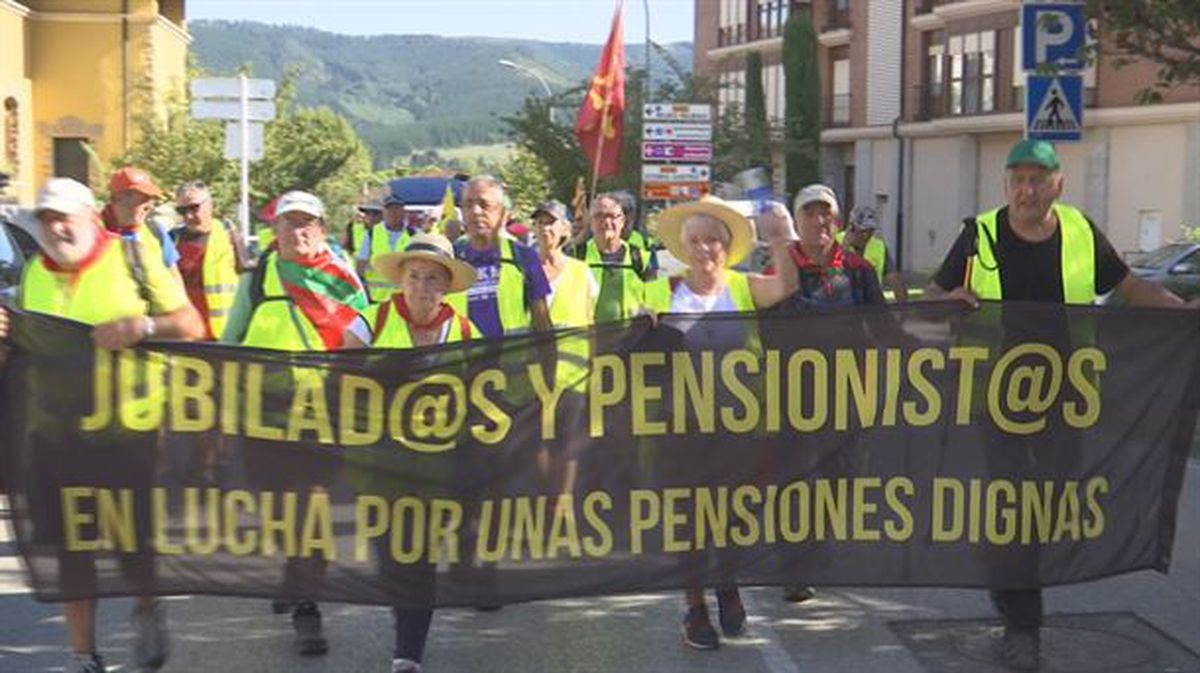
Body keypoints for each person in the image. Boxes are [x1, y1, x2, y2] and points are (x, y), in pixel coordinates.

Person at [925, 139, 1191, 670]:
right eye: (1018, 180)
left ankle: (1005, 572)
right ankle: (1024, 624)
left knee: (1050, 508)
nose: (1027, 190)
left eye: (1038, 180)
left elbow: (1131, 287)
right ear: (1006, 185)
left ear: (1057, 185)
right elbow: (935, 296)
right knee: (1017, 509)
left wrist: (1183, 312)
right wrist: (948, 302)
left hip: (1067, 399)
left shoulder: (1079, 232)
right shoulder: (979, 235)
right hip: (997, 400)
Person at [0, 177, 205, 673]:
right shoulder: (34, 276)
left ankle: (147, 605)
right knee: (72, 550)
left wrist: (143, 327)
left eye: (64, 217)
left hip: (129, 435)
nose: (56, 227)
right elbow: (18, 355)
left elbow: (190, 323)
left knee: (134, 546)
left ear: (91, 217)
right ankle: (83, 655)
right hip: (57, 436)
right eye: (47, 219)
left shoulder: (132, 258)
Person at [222, 190, 370, 658]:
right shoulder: (260, 277)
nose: (298, 231)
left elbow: (365, 328)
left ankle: (309, 602)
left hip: (321, 413)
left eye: (307, 222)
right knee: (276, 506)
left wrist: (354, 347)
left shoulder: (341, 277)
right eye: (289, 223)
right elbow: (232, 340)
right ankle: (293, 567)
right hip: (262, 415)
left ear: (323, 228)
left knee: (311, 505)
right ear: (275, 230)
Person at [644, 195, 795, 651]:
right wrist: (639, 326)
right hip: (681, 429)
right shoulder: (662, 291)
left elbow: (785, 286)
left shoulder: (743, 286)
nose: (705, 248)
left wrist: (781, 238)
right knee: (689, 522)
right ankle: (694, 609)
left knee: (732, 518)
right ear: (683, 247)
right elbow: (632, 344)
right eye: (696, 240)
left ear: (726, 248)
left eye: (713, 240)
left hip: (739, 429)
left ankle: (727, 586)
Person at [359, 232, 478, 673]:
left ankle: (407, 653)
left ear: (446, 286)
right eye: (415, 276)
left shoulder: (465, 331)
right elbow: (337, 369)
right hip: (380, 466)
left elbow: (488, 392)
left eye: (433, 278)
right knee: (390, 558)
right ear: (401, 280)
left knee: (418, 556)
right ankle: (404, 616)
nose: (423, 286)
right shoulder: (369, 320)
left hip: (437, 468)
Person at [531, 199, 597, 496]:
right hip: (533, 369)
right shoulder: (524, 268)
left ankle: (563, 506)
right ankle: (545, 499)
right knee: (537, 440)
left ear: (564, 229)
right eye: (540, 222)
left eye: (552, 222)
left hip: (574, 371)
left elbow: (594, 320)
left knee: (568, 442)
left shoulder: (582, 271)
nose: (545, 228)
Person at [452, 175, 553, 337]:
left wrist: (549, 361)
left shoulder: (523, 256)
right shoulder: (451, 258)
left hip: (511, 359)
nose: (476, 212)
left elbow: (542, 322)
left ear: (502, 213)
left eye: (485, 205)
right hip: (461, 359)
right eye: (468, 205)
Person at [771, 184, 886, 311]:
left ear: (839, 223)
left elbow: (882, 324)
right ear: (795, 224)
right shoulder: (777, 272)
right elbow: (763, 327)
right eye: (809, 214)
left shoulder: (859, 269)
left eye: (826, 214)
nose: (819, 221)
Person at [171, 181, 246, 340]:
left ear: (210, 205)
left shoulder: (229, 236)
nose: (189, 216)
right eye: (182, 211)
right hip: (183, 336)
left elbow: (246, 283)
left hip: (224, 337)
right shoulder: (172, 240)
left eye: (194, 208)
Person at [101, 167, 182, 282]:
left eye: (151, 199)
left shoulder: (155, 231)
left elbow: (175, 280)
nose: (149, 206)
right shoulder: (93, 233)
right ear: (119, 198)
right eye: (143, 199)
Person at [582, 193, 654, 323]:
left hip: (631, 339)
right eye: (599, 216)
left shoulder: (641, 258)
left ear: (622, 221)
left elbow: (657, 304)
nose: (606, 222)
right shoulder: (577, 255)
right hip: (586, 338)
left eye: (612, 216)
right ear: (590, 222)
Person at [836, 205, 909, 301]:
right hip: (843, 299)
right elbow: (831, 273)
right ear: (851, 228)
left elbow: (895, 280)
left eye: (870, 231)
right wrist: (845, 246)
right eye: (863, 231)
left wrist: (903, 309)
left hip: (871, 299)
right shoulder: (836, 241)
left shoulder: (878, 246)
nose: (866, 236)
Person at [360, 193, 415, 301]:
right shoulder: (372, 234)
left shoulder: (414, 235)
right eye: (389, 209)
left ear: (403, 212)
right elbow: (361, 265)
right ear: (384, 212)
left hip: (405, 299)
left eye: (397, 209)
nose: (393, 213)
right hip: (376, 299)